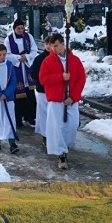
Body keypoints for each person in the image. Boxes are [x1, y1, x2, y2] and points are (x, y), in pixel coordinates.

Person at [39, 32, 86, 170]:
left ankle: (67, 147)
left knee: (72, 125)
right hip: (56, 100)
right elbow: (43, 79)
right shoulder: (48, 61)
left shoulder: (75, 60)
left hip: (71, 100)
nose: (54, 49)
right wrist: (60, 77)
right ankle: (61, 155)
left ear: (63, 45)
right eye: (52, 46)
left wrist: (73, 97)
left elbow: (81, 79)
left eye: (56, 46)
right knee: (58, 128)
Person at [5, 19, 38, 127]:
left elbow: (34, 50)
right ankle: (18, 119)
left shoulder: (29, 37)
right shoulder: (8, 40)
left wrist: (27, 57)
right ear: (14, 29)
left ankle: (31, 117)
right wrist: (19, 58)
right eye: (18, 28)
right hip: (17, 68)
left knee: (30, 96)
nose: (20, 30)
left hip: (27, 67)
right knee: (18, 97)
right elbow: (7, 54)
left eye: (22, 28)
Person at [30, 35, 54, 149]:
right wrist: (43, 79)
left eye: (51, 44)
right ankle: (45, 136)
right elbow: (33, 73)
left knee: (54, 114)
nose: (49, 46)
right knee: (44, 114)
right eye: (47, 44)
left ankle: (55, 135)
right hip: (43, 90)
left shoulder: (58, 57)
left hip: (54, 91)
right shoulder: (39, 58)